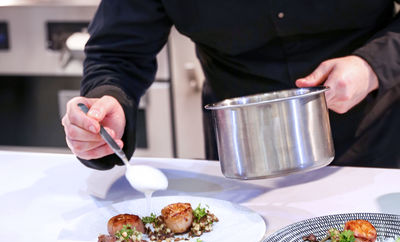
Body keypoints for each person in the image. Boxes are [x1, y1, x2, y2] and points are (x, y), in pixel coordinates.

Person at [62, 0, 400, 170]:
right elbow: (117, 52)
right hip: (244, 158)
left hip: (373, 140)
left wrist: (372, 65)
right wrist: (108, 101)